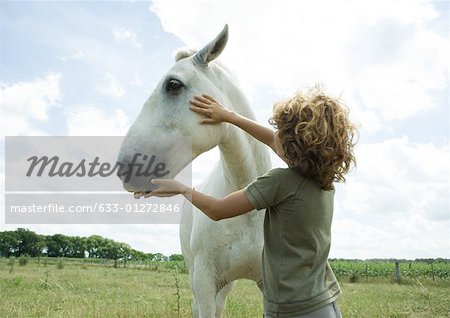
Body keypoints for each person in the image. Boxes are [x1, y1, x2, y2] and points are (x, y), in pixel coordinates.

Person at [147, 85, 358, 317]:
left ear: (294, 143)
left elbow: (217, 210)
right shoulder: (324, 185)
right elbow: (271, 140)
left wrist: (182, 189)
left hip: (291, 310)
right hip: (326, 305)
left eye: (283, 132)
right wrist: (230, 116)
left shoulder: (281, 182)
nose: (276, 136)